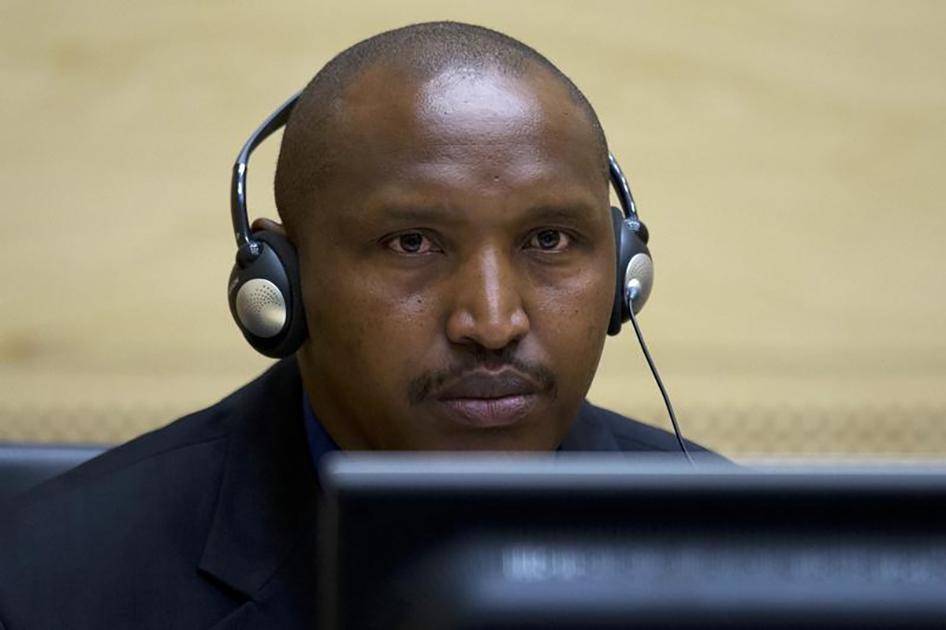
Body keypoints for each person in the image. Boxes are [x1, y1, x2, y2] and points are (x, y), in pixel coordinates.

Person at [0, 22, 716, 629]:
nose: (493, 323)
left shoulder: (738, 554)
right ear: (282, 282)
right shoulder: (45, 582)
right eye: (412, 243)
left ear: (625, 270)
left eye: (550, 240)